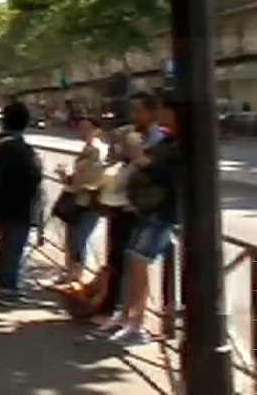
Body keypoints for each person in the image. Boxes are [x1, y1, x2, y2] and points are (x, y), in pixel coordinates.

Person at [95, 94, 179, 346]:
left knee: (139, 263)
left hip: (160, 212)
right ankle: (129, 319)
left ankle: (137, 325)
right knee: (133, 261)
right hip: (146, 209)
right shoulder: (169, 140)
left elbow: (163, 174)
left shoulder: (173, 142)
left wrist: (137, 156)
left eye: (164, 111)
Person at [81, 92, 165, 329]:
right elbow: (120, 163)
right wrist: (118, 150)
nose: (136, 115)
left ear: (152, 113)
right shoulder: (136, 134)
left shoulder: (157, 139)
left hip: (138, 207)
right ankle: (117, 310)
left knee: (131, 261)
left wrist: (132, 151)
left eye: (140, 110)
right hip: (122, 204)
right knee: (117, 257)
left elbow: (150, 169)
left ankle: (126, 314)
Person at [0, 101, 44, 306]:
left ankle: (3, 284)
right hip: (18, 205)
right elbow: (33, 178)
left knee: (5, 243)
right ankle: (8, 288)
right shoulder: (21, 149)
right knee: (14, 245)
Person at [55, 115, 106, 288]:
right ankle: (72, 272)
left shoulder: (98, 151)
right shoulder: (88, 149)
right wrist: (67, 178)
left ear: (97, 130)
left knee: (79, 238)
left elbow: (91, 178)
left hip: (87, 201)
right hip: (78, 200)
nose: (83, 131)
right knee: (72, 238)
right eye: (81, 127)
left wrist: (72, 183)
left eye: (87, 127)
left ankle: (76, 274)